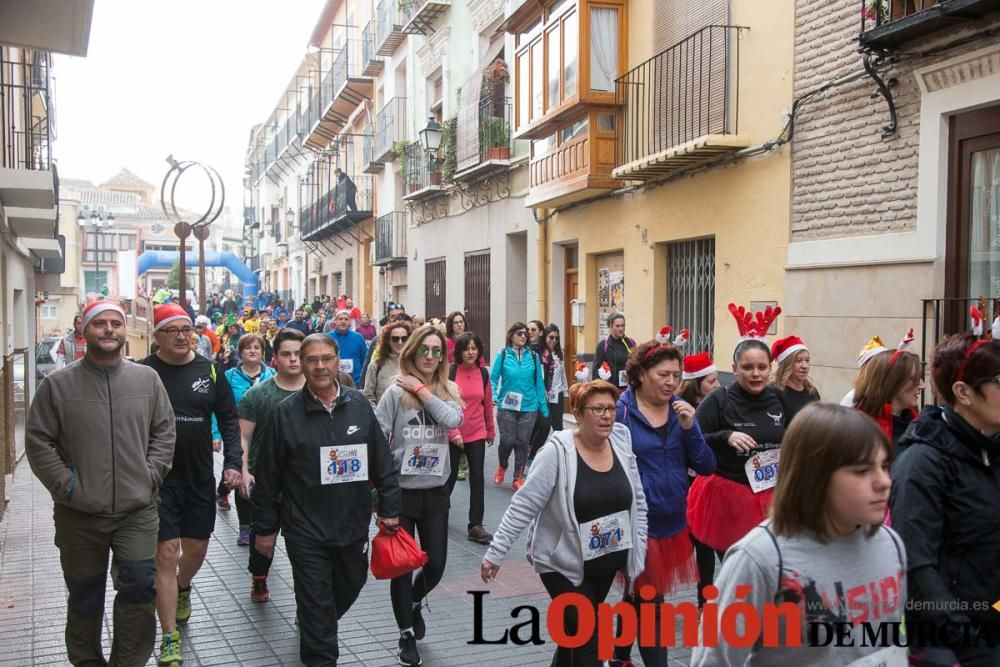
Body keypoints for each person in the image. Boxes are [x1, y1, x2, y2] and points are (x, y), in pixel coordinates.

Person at [691, 403, 906, 666]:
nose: (884, 481)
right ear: (816, 476)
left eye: (885, 466)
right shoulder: (760, 559)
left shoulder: (891, 543)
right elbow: (714, 660)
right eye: (862, 471)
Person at [26, 301, 176, 667]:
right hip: (79, 514)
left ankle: (128, 662)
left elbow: (164, 432)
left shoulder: (146, 380)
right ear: (85, 331)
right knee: (84, 595)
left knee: (140, 585)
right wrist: (68, 487)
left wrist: (150, 475)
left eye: (115, 323)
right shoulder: (58, 386)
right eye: (100, 324)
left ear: (125, 332)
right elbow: (38, 441)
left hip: (136, 511)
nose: (108, 330)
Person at [253, 333, 401, 666]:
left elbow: (383, 461)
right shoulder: (284, 414)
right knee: (317, 609)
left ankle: (313, 620)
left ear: (338, 361)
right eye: (312, 359)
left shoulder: (359, 405)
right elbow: (268, 477)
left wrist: (390, 508)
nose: (320, 366)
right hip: (305, 529)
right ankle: (318, 644)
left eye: (327, 359)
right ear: (301, 364)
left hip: (352, 525)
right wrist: (265, 529)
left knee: (348, 586)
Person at [482, 380, 648, 667]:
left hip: (605, 560)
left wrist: (638, 557)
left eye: (610, 408)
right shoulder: (556, 452)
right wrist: (496, 552)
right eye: (598, 409)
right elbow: (524, 504)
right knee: (588, 639)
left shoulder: (621, 444)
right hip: (561, 563)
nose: (607, 415)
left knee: (576, 634)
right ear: (579, 414)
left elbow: (639, 504)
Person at [889, 334, 1000, 666]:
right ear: (963, 392)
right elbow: (917, 564)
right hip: (953, 645)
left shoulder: (992, 447)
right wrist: (967, 641)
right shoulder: (923, 462)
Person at [141, 303, 243, 665]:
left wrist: (233, 463)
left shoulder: (211, 372)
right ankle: (169, 636)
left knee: (195, 552)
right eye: (173, 330)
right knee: (165, 555)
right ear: (157, 336)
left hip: (200, 477)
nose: (183, 336)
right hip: (158, 481)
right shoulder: (142, 372)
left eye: (187, 330)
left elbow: (229, 421)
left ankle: (183, 587)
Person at [612, 341, 715, 667]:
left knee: (639, 593)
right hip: (637, 525)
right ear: (641, 374)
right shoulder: (621, 413)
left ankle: (619, 656)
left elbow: (706, 466)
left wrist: (690, 428)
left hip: (674, 523)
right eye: (663, 374)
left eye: (676, 375)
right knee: (652, 601)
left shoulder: (681, 409)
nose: (671, 381)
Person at [375, 324, 463, 667]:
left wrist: (424, 391)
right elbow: (378, 438)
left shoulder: (448, 388)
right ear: (411, 352)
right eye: (423, 349)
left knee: (436, 564)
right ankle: (406, 634)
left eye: (436, 350)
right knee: (401, 566)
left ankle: (414, 601)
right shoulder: (395, 393)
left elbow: (453, 418)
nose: (430, 356)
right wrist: (379, 491)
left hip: (436, 490)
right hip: (400, 492)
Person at [688, 338, 788, 564]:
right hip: (731, 500)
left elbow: (798, 433)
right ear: (734, 369)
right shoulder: (718, 399)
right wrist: (726, 436)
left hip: (772, 497)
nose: (756, 374)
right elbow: (693, 438)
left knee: (773, 565)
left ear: (770, 369)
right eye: (748, 367)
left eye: (762, 367)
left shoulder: (779, 398)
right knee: (742, 565)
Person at [237, 328, 306, 602]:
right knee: (264, 541)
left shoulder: (318, 392)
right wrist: (244, 470)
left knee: (304, 547)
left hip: (304, 484)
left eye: (299, 354)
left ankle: (306, 602)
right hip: (266, 482)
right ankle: (259, 579)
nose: (293, 360)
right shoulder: (258, 395)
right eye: (286, 354)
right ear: (274, 358)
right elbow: (243, 437)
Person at [214, 334, 275, 544]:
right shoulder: (229, 376)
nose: (252, 351)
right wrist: (215, 434)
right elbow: (217, 407)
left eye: (257, 347)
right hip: (237, 433)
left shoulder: (273, 374)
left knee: (264, 479)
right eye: (248, 348)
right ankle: (245, 527)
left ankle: (264, 522)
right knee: (241, 475)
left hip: (267, 436)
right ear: (240, 352)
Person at [447, 332, 496, 544]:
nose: (470, 353)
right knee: (447, 478)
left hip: (476, 432)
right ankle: (438, 512)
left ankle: (475, 525)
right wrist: (452, 432)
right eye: (466, 349)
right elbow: (443, 403)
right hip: (452, 432)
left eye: (474, 348)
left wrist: (490, 429)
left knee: (477, 478)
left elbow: (487, 402)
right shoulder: (449, 372)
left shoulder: (483, 373)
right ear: (459, 351)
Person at [491, 322, 548, 490]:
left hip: (529, 406)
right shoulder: (502, 355)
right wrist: (494, 395)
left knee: (522, 442)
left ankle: (518, 477)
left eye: (525, 334)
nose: (524, 336)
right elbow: (493, 379)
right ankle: (502, 465)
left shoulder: (533, 357)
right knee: (508, 441)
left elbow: (539, 383)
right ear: (511, 336)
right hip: (507, 405)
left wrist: (543, 407)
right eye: (519, 333)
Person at [853, 344, 923, 447]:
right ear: (891, 382)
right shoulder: (857, 427)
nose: (922, 385)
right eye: (913, 379)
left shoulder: (918, 424)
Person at [528, 324, 569, 464]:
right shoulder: (540, 354)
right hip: (543, 395)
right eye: (551, 337)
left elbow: (561, 374)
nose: (554, 341)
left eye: (557, 338)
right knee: (543, 426)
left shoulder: (559, 354)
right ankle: (532, 452)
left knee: (558, 427)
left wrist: (565, 390)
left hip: (557, 394)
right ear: (545, 337)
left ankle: (561, 454)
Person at [770, 335, 820, 423]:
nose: (805, 366)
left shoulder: (812, 392)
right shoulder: (773, 392)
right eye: (798, 360)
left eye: (807, 360)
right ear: (786, 364)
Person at [363, 321, 412, 406]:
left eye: (404, 338)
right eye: (395, 339)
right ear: (388, 341)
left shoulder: (415, 364)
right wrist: (377, 416)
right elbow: (368, 396)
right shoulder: (376, 365)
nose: (400, 342)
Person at [592, 312, 636, 390]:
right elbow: (596, 371)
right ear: (610, 327)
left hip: (627, 389)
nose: (621, 329)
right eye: (617, 326)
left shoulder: (631, 343)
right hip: (609, 390)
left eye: (623, 325)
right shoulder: (603, 345)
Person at [327, 310, 366, 386]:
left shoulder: (358, 338)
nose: (343, 321)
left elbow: (364, 360)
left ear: (350, 322)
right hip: (333, 381)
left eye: (346, 319)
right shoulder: (327, 338)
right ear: (335, 321)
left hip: (355, 382)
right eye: (340, 319)